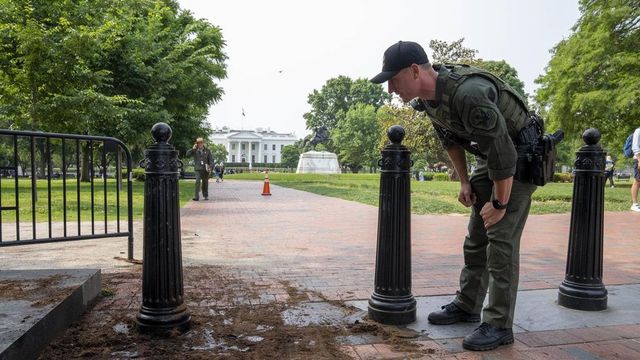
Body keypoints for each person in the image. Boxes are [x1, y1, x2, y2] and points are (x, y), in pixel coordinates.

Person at [371, 41, 538, 351]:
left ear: (414, 70)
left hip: (520, 159)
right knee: (476, 238)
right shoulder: (428, 100)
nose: (391, 89)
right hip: (489, 158)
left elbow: (504, 152)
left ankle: (499, 324)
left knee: (500, 242)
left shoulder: (469, 93)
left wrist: (499, 203)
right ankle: (468, 304)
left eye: (393, 80)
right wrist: (464, 181)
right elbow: (449, 138)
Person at [631, 127, 640, 212]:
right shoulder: (638, 130)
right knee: (637, 180)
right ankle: (634, 204)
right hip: (638, 159)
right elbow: (635, 147)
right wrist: (639, 160)